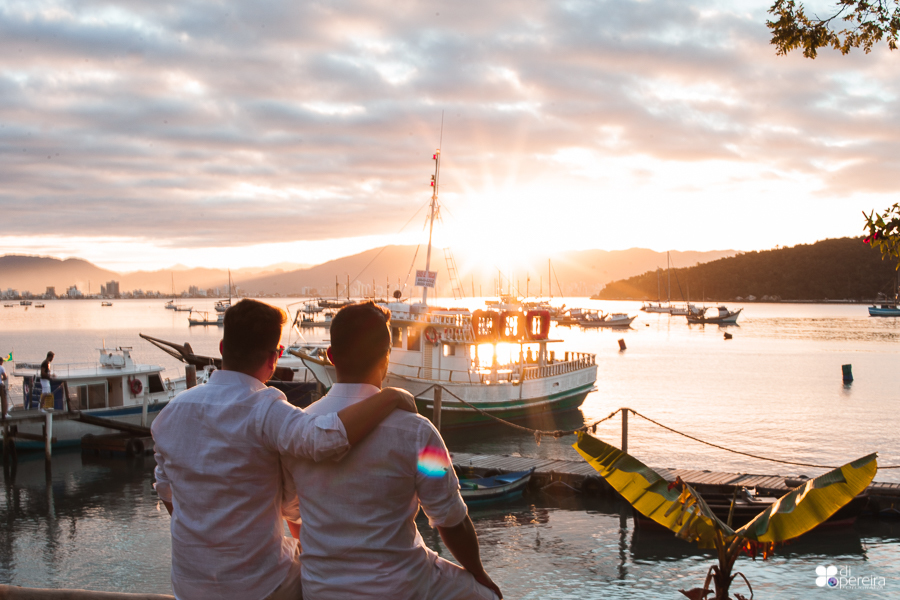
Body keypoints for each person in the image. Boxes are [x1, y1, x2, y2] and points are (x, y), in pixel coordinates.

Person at [151, 299, 417, 600]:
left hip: (189, 587)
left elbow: (166, 492)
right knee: (324, 578)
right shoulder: (266, 409)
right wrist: (390, 397)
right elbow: (325, 439)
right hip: (260, 588)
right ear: (274, 357)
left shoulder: (169, 415)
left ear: (223, 348)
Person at [283, 301, 503, 600]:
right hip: (402, 586)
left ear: (331, 357)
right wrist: (479, 572)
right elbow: (450, 519)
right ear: (387, 358)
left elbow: (293, 514)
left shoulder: (299, 430)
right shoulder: (419, 432)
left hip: (321, 588)